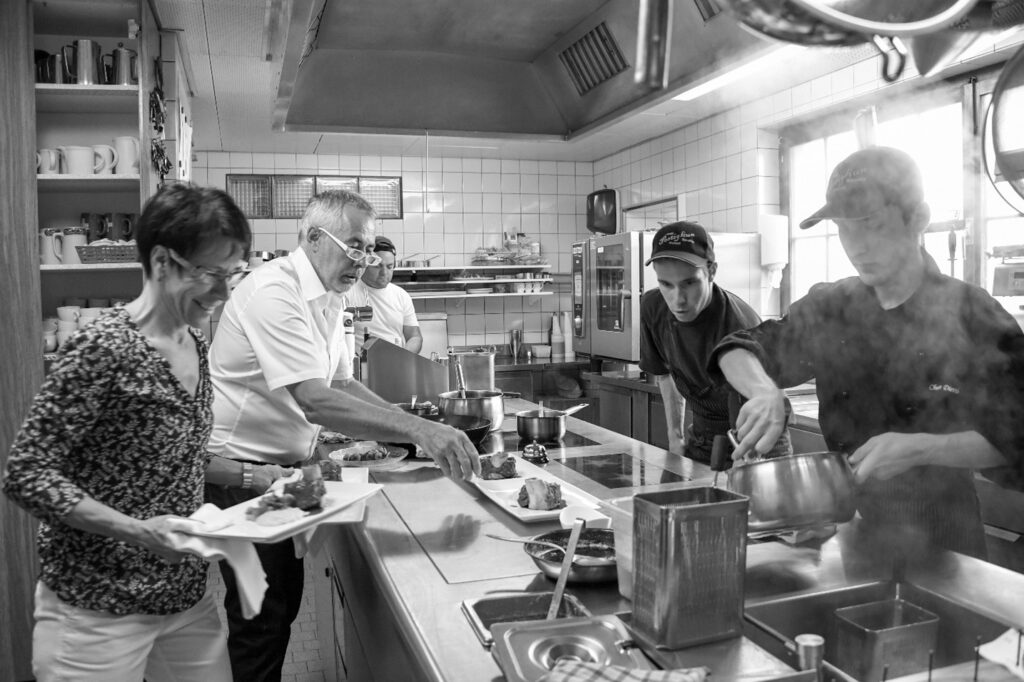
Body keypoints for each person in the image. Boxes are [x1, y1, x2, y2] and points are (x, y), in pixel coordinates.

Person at [204, 189, 479, 682]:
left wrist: (417, 432)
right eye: (355, 246)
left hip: (284, 468)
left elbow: (343, 383)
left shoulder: (331, 297)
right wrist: (419, 428)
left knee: (278, 604)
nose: (365, 260)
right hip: (239, 472)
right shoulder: (274, 291)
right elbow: (315, 399)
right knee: (261, 618)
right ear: (313, 237)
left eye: (369, 248)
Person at [712, 146, 1024, 558]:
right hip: (851, 536)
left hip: (947, 547)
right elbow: (738, 349)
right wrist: (764, 392)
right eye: (844, 230)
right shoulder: (832, 306)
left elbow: (1017, 436)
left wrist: (922, 448)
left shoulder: (972, 313)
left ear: (919, 220)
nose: (856, 246)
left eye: (872, 226)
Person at [2, 183, 251, 681]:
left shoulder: (195, 344)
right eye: (211, 274)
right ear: (162, 261)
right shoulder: (103, 347)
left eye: (233, 275)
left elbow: (171, 454)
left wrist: (262, 479)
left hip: (184, 596)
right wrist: (138, 532)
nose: (224, 293)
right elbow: (26, 472)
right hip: (97, 606)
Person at [639, 221, 765, 463]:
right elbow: (666, 374)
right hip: (701, 439)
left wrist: (747, 462)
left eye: (689, 283)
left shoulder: (740, 325)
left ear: (712, 271)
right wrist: (674, 436)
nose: (678, 300)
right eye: (666, 284)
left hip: (754, 441)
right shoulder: (653, 307)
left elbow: (761, 405)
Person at [349, 235, 423, 354]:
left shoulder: (401, 296)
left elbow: (414, 337)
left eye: (389, 267)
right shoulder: (348, 293)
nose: (384, 272)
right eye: (378, 266)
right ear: (366, 264)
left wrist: (403, 357)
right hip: (362, 367)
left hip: (396, 365)